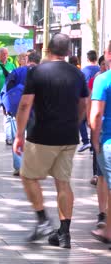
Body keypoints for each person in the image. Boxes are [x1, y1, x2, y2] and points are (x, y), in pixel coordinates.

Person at [13, 34, 88, 249]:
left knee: (28, 176)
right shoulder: (77, 74)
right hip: (68, 135)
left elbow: (26, 105)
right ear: (68, 52)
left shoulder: (37, 71)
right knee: (63, 183)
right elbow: (84, 103)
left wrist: (19, 134)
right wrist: (75, 122)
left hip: (43, 135)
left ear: (48, 50)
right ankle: (64, 234)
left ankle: (43, 219)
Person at [0, 51, 41, 176]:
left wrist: (5, 106)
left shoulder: (17, 72)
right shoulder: (43, 73)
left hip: (18, 110)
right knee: (34, 139)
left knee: (18, 137)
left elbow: (6, 88)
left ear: (28, 60)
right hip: (37, 111)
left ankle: (19, 166)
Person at [90, 40, 111, 244]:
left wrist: (94, 139)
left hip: (108, 140)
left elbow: (96, 115)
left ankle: (107, 227)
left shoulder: (103, 79)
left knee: (105, 179)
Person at [78, 50, 101, 153]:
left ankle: (86, 141)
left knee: (82, 121)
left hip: (86, 98)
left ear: (87, 59)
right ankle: (93, 144)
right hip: (97, 98)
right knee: (94, 120)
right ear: (96, 58)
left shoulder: (84, 71)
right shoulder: (99, 69)